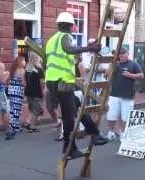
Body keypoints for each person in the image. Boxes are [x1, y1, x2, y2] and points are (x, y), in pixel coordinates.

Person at [45, 12, 105, 157]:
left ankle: (94, 133)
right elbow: (68, 49)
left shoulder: (52, 39)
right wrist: (89, 48)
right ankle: (69, 148)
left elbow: (65, 54)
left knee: (77, 103)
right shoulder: (65, 37)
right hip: (62, 82)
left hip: (54, 82)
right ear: (70, 26)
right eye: (72, 25)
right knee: (69, 117)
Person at [106, 47, 144, 141]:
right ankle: (111, 132)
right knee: (111, 115)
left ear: (127, 54)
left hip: (128, 95)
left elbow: (141, 75)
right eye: (120, 54)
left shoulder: (133, 64)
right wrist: (112, 64)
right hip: (114, 94)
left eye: (124, 54)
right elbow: (106, 75)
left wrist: (130, 75)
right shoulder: (115, 64)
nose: (122, 56)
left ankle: (122, 133)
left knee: (125, 117)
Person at [24, 52, 45, 133]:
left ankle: (28, 122)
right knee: (36, 110)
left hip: (28, 91)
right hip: (37, 91)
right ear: (38, 58)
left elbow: (25, 81)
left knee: (32, 109)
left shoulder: (27, 68)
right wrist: (43, 91)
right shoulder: (39, 69)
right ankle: (32, 126)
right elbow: (42, 82)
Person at [7, 56, 26, 138]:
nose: (25, 62)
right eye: (24, 61)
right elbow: (23, 82)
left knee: (12, 109)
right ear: (20, 62)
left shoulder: (12, 70)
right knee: (17, 109)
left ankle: (12, 126)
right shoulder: (21, 71)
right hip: (18, 91)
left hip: (11, 90)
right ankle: (15, 127)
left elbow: (8, 81)